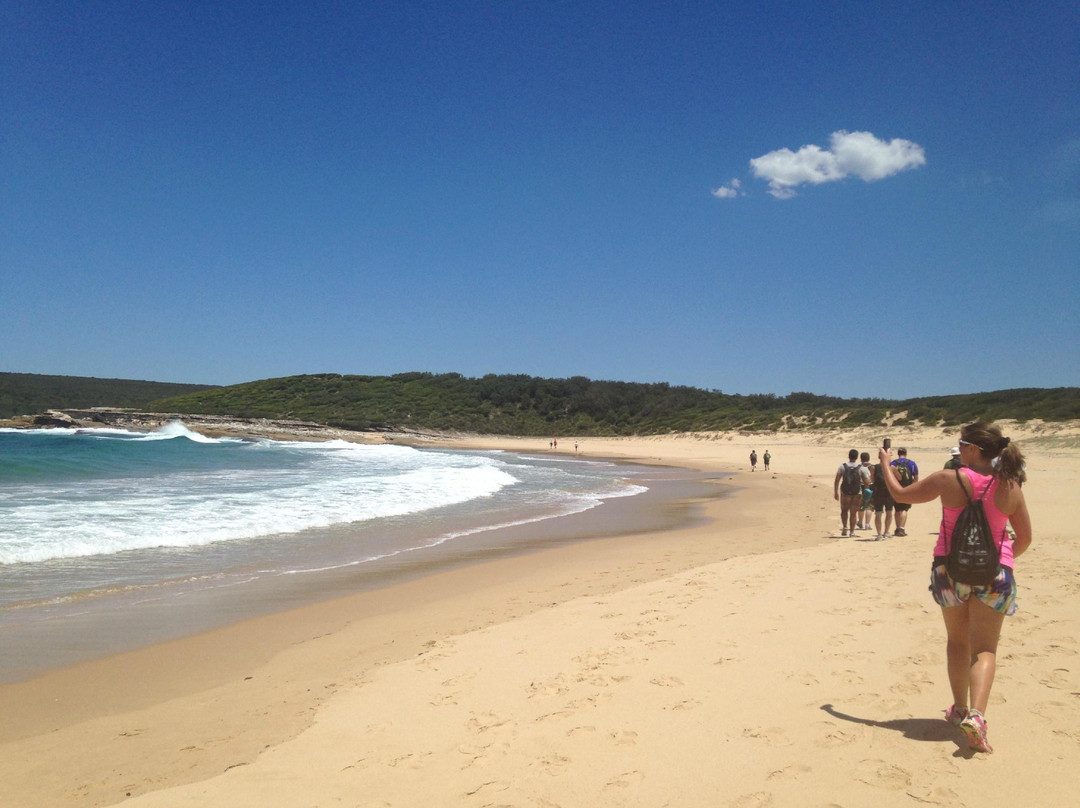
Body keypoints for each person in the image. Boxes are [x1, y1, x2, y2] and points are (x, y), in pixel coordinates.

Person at [877, 422, 1030, 754]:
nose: (959, 449)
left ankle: (959, 708)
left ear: (974, 449)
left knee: (957, 641)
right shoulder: (1010, 485)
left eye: (961, 444)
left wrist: (885, 464)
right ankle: (976, 718)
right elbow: (1026, 538)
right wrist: (1000, 563)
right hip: (996, 574)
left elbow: (900, 495)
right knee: (985, 649)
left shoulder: (948, 479)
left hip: (950, 572)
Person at [833, 449, 865, 537]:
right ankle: (852, 532)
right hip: (857, 492)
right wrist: (866, 492)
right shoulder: (860, 467)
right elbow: (866, 481)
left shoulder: (843, 466)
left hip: (845, 492)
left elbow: (837, 480)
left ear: (849, 456)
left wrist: (836, 492)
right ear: (857, 457)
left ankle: (844, 527)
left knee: (844, 510)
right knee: (853, 513)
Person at [889, 448, 919, 536]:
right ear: (906, 453)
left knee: (897, 509)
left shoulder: (893, 463)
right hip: (908, 488)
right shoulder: (911, 463)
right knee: (905, 509)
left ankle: (897, 528)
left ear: (898, 454)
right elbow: (916, 479)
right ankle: (901, 528)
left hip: (896, 488)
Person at [870, 458, 895, 539]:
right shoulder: (891, 467)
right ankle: (886, 532)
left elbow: (872, 480)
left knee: (878, 513)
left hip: (878, 493)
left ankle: (879, 534)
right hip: (889, 493)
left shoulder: (874, 467)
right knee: (889, 512)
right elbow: (899, 478)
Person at [857, 451, 875, 530]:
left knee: (861, 505)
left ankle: (860, 522)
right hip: (870, 486)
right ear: (868, 458)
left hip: (860, 486)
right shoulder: (872, 467)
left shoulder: (858, 467)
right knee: (869, 506)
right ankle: (867, 524)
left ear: (861, 459)